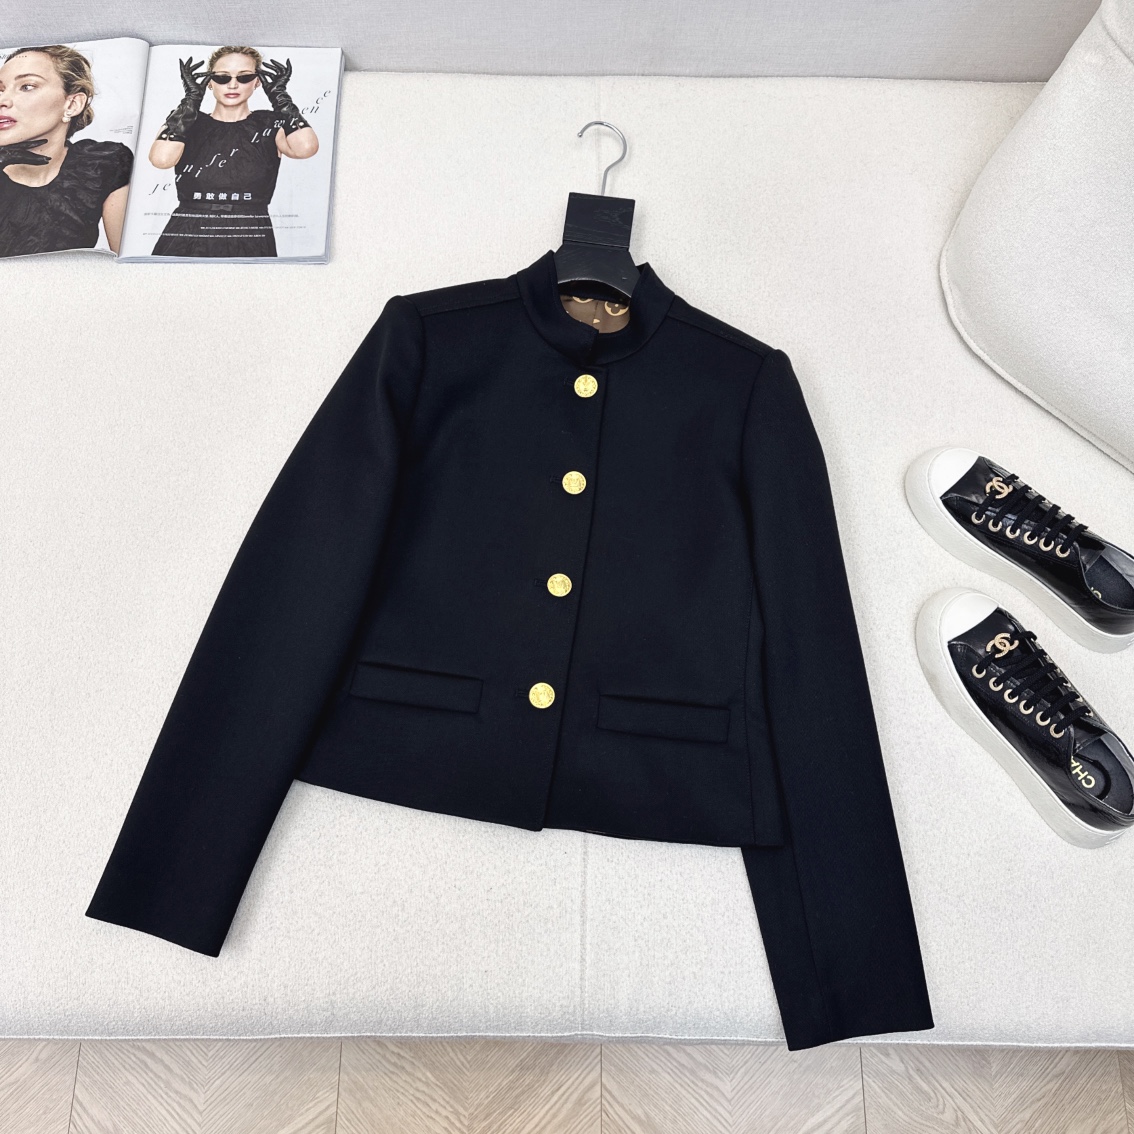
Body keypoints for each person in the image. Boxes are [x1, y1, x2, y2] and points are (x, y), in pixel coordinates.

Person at [148, 46, 319, 258]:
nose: (233, 84)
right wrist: (191, 101)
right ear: (209, 81)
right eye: (222, 77)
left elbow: (306, 148)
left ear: (258, 81)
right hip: (187, 233)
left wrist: (280, 98)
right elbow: (161, 159)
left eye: (245, 77)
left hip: (250, 233)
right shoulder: (187, 121)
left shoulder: (270, 123)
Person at [0, 44, 134, 258]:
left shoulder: (102, 164)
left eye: (27, 86)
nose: (3, 101)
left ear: (72, 105)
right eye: (0, 89)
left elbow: (132, 265)